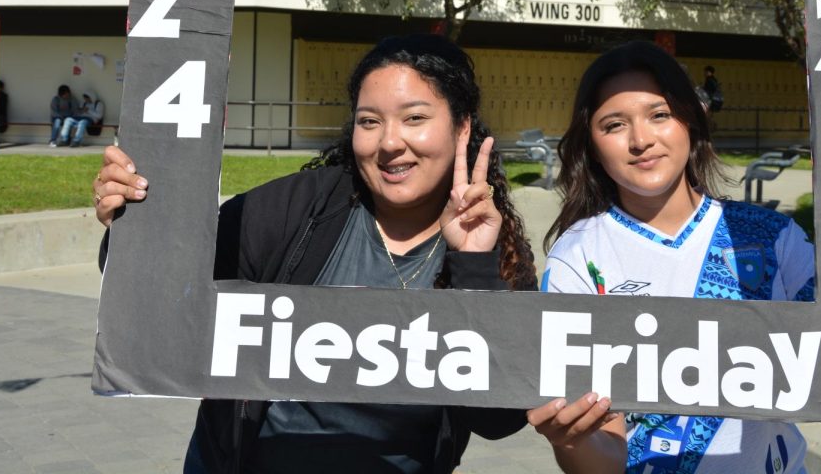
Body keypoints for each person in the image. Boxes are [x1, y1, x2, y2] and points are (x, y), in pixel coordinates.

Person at [92, 35, 536, 472]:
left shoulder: (497, 249)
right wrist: (134, 222)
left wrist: (473, 265)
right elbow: (164, 296)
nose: (389, 143)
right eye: (369, 121)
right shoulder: (293, 211)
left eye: (414, 117)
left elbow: (499, 420)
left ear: (461, 127)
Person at [525, 41, 821, 474]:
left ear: (692, 119)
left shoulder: (772, 237)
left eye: (660, 115)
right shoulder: (578, 259)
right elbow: (604, 457)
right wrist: (571, 443)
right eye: (614, 125)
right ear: (591, 145)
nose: (641, 140)